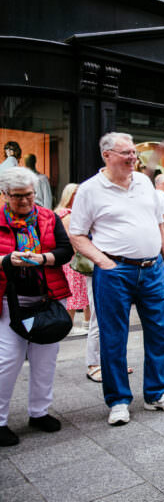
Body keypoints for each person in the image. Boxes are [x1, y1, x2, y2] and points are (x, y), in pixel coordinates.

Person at [70, 132, 164, 426]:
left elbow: (157, 223)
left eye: (134, 153)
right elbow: (76, 234)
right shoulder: (90, 190)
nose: (133, 158)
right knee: (113, 338)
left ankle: (157, 393)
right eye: (126, 153)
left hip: (152, 269)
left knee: (160, 331)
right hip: (115, 272)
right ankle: (119, 400)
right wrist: (103, 261)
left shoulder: (144, 182)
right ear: (107, 155)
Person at [0, 167, 72, 447]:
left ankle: (39, 412)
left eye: (29, 195)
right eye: (18, 197)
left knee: (45, 359)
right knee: (7, 361)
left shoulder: (48, 217)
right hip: (9, 300)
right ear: (5, 195)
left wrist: (42, 259)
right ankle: (0, 421)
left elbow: (65, 251)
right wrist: (7, 259)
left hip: (47, 298)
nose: (26, 201)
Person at [53, 184, 90, 328]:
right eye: (76, 194)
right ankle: (74, 324)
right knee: (77, 292)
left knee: (77, 292)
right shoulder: (68, 214)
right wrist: (83, 254)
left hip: (68, 258)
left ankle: (78, 323)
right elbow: (72, 238)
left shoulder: (59, 213)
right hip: (74, 259)